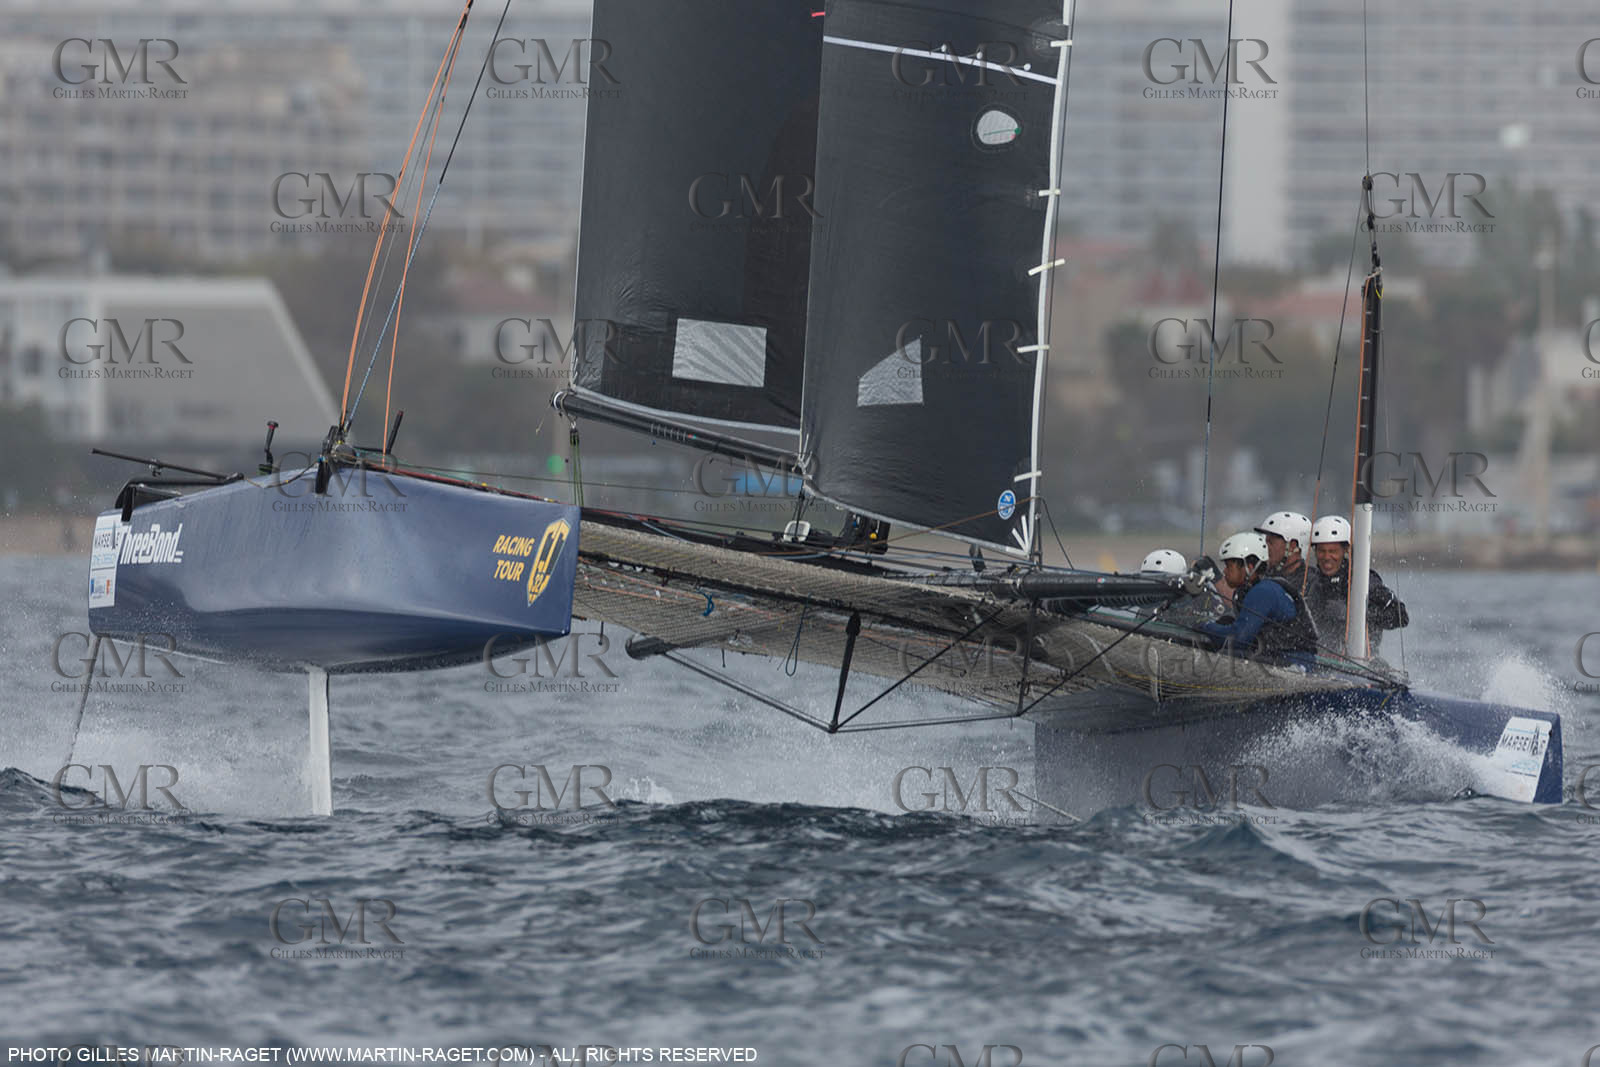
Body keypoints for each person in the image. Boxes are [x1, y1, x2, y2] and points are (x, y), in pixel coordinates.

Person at [1199, 531, 1319, 668]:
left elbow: (1239, 638)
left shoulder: (1263, 591)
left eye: (1229, 566)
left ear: (1249, 567)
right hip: (1278, 658)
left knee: (1227, 654)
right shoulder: (1249, 590)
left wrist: (1204, 626)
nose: (1225, 571)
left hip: (1297, 662)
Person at [1305, 515, 1409, 656]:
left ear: (1345, 550)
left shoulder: (1363, 581)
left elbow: (1401, 617)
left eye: (1333, 551)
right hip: (1320, 661)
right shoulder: (1312, 582)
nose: (1326, 557)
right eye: (1321, 551)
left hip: (1362, 663)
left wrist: (1353, 615)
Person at [1255, 511, 1311, 593]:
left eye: (1271, 542)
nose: (1266, 547)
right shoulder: (1261, 578)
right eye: (1265, 542)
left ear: (1292, 546)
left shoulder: (1313, 583)